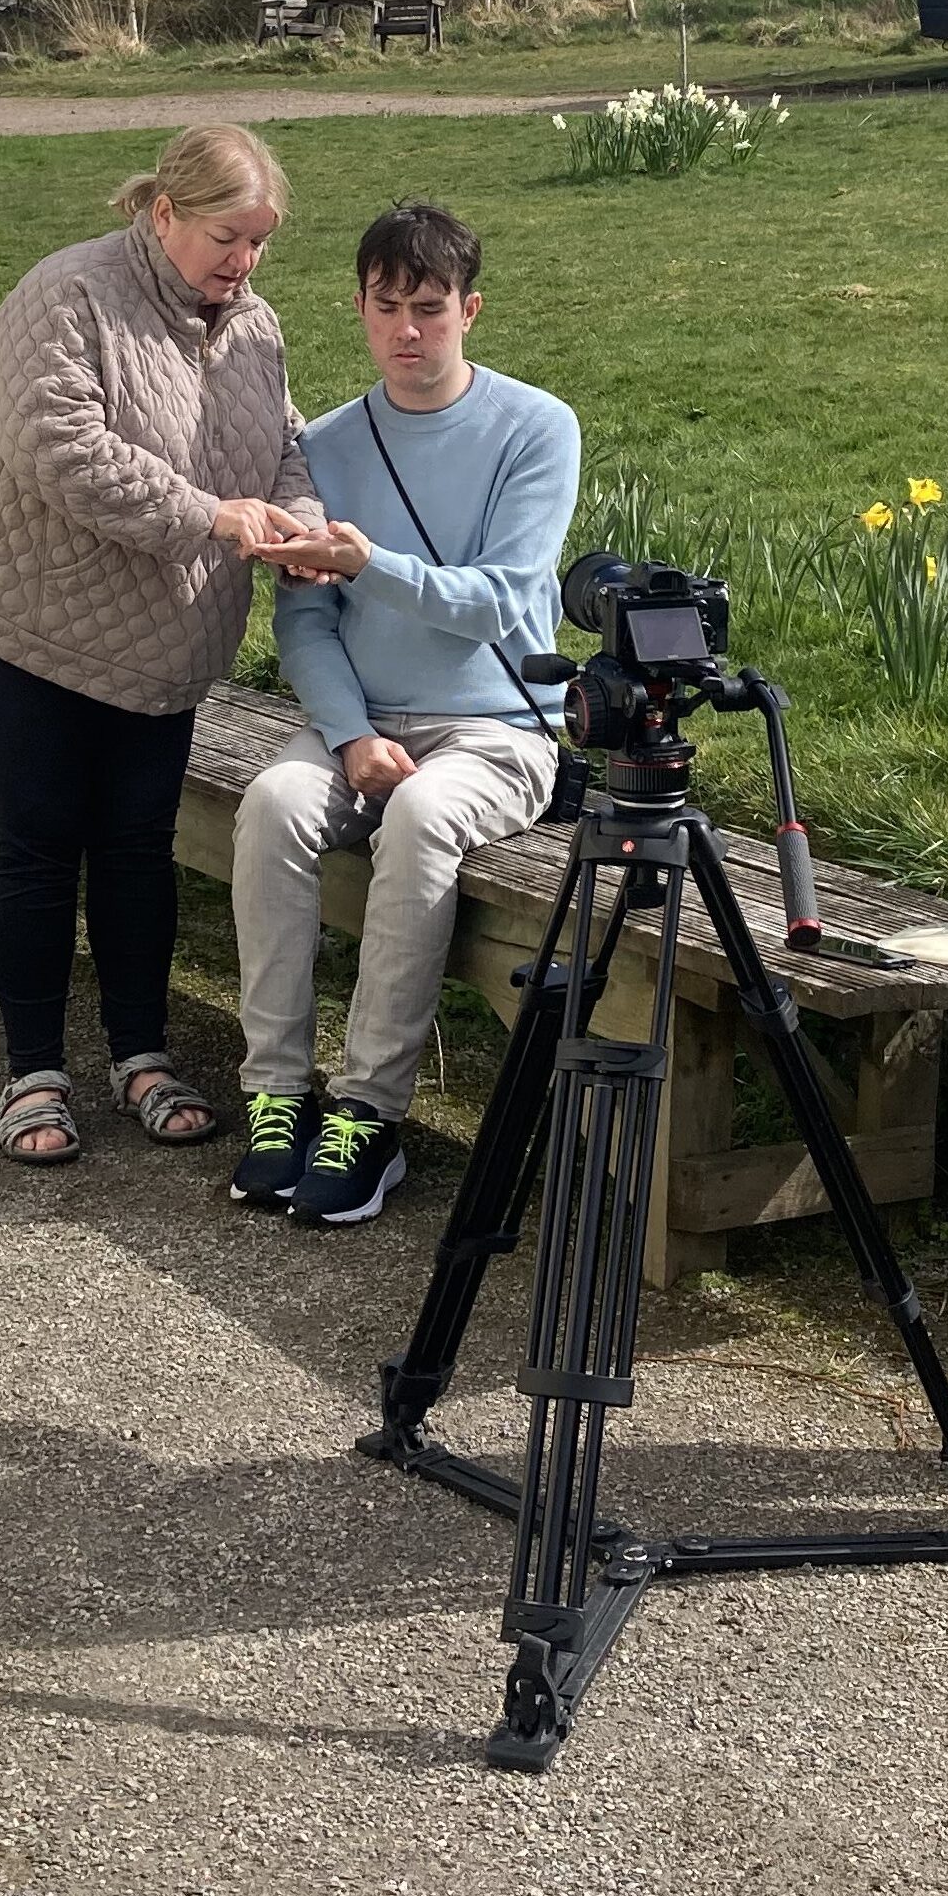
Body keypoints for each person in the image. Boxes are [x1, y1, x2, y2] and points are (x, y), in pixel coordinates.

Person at [0, 124, 322, 1167]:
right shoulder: (68, 295)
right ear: (164, 212)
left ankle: (142, 1057)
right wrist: (213, 518)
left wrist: (298, 520)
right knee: (42, 838)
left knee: (139, 840)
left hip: (156, 631)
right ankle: (33, 1075)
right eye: (229, 236)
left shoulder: (255, 326)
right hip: (18, 612)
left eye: (261, 241)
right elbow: (61, 450)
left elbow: (283, 441)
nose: (245, 261)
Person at [227, 202, 581, 1225]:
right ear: (361, 310)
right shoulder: (325, 445)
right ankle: (278, 1096)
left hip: (497, 728)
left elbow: (501, 601)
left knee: (424, 819)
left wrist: (368, 562)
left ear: (471, 309)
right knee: (273, 802)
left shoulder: (536, 427)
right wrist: (348, 735)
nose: (408, 332)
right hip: (364, 722)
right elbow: (305, 624)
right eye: (388, 309)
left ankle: (369, 1114)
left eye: (430, 308)